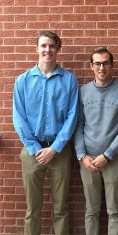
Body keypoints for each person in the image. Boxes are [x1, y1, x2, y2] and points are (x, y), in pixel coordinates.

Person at [12, 30, 78, 235]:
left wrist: (55, 148)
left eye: (51, 46)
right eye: (43, 45)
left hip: (60, 151)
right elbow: (19, 118)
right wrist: (34, 147)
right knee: (33, 209)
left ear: (58, 49)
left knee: (61, 208)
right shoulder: (22, 81)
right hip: (32, 151)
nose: (47, 50)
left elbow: (72, 116)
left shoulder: (69, 80)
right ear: (36, 48)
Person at [74, 47, 118, 235]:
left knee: (114, 211)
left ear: (112, 65)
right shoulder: (83, 92)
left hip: (113, 159)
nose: (102, 67)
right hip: (88, 160)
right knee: (91, 211)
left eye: (105, 63)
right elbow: (78, 126)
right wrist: (81, 155)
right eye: (97, 64)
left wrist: (108, 155)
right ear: (91, 67)